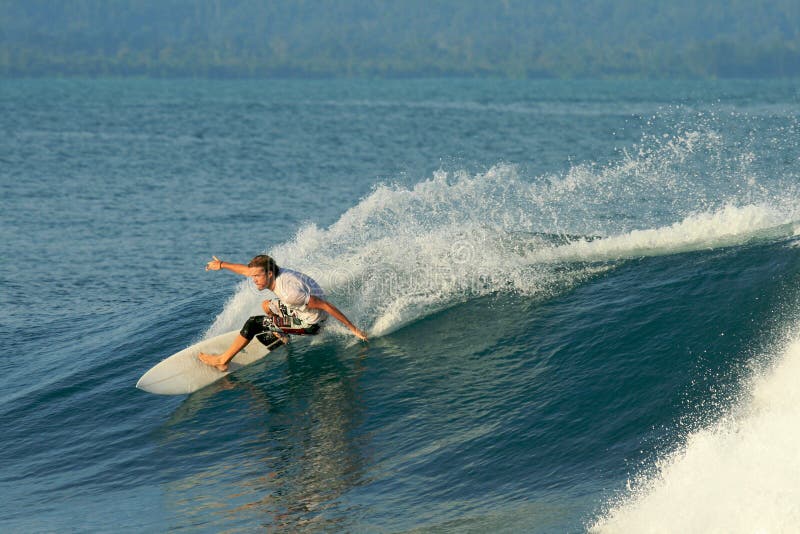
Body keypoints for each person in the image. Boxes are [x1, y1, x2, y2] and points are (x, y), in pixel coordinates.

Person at [198, 254, 367, 372]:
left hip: (311, 324)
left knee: (254, 323)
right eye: (253, 276)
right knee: (266, 306)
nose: (253, 279)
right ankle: (283, 334)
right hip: (300, 310)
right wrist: (221, 265)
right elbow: (246, 271)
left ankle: (222, 361)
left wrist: (354, 330)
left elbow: (325, 305)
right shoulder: (276, 272)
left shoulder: (289, 293)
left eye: (257, 276)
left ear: (269, 274)